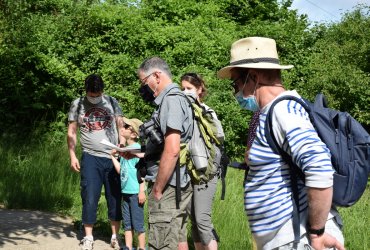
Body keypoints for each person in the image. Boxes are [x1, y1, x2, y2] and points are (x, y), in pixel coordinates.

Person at [217, 37, 345, 250]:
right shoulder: (274, 112)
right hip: (287, 239)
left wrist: (316, 233)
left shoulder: (283, 111)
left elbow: (319, 166)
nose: (235, 91)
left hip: (298, 239)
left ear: (254, 77)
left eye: (235, 83)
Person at [137, 56, 194, 250]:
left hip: (169, 185)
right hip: (177, 182)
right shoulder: (177, 99)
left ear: (157, 76)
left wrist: (158, 188)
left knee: (160, 244)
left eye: (144, 82)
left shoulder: (171, 100)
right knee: (175, 239)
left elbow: (172, 149)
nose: (143, 87)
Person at [67, 74, 124, 250]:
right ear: (86, 91)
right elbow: (72, 131)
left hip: (112, 156)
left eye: (97, 94)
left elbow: (121, 126)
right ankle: (88, 237)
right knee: (90, 196)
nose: (94, 97)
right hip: (90, 157)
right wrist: (72, 155)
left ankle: (115, 236)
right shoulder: (78, 104)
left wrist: (121, 145)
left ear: (102, 91)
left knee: (114, 197)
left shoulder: (112, 102)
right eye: (91, 95)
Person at [180, 73, 224, 250]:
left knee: (202, 219)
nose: (185, 92)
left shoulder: (207, 112)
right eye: (182, 88)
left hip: (206, 174)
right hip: (189, 172)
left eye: (189, 89)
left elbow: (220, 137)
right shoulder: (184, 113)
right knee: (193, 219)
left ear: (199, 89)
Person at [110, 117, 146, 250]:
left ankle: (142, 247)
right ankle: (128, 247)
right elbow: (120, 171)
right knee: (127, 223)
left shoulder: (137, 150)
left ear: (134, 134)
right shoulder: (125, 150)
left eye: (126, 127)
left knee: (138, 224)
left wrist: (142, 190)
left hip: (135, 193)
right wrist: (113, 156)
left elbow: (142, 171)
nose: (122, 128)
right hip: (125, 192)